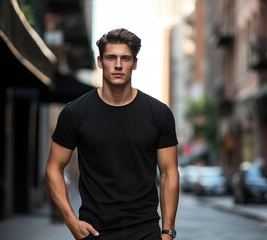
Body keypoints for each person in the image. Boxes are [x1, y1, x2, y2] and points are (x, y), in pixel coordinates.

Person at [45, 28, 179, 240]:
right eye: (111, 58)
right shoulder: (75, 112)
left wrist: (168, 232)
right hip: (95, 231)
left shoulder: (158, 113)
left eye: (125, 58)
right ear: (100, 61)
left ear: (134, 63)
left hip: (145, 230)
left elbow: (168, 172)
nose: (118, 65)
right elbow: (53, 168)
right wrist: (71, 222)